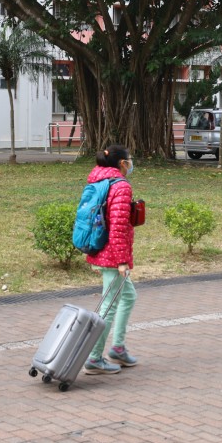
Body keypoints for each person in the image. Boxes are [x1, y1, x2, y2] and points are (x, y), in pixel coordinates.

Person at [83, 144, 139, 375]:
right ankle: (94, 358)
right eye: (129, 160)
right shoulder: (121, 186)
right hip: (112, 254)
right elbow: (117, 227)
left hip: (100, 248)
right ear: (122, 163)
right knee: (109, 305)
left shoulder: (97, 180)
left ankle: (117, 348)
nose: (131, 163)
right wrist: (121, 262)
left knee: (128, 296)